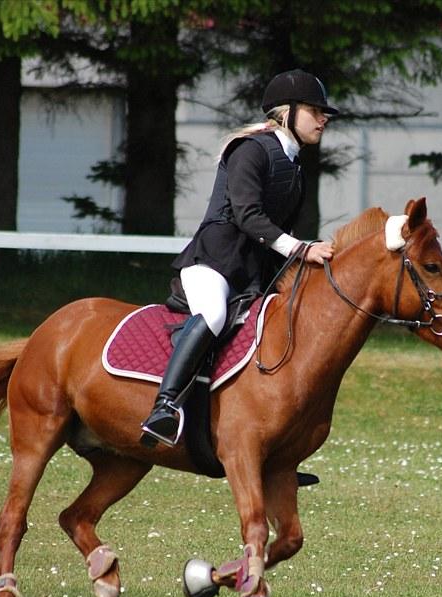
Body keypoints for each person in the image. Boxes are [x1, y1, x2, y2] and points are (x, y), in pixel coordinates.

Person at [140, 69, 339, 448]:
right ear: (286, 113)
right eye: (315, 110)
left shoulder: (293, 164)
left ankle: (275, 448)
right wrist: (301, 249)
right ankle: (163, 408)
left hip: (253, 274)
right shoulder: (250, 149)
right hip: (214, 263)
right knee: (213, 315)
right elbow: (248, 216)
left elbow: (281, 230)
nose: (323, 118)